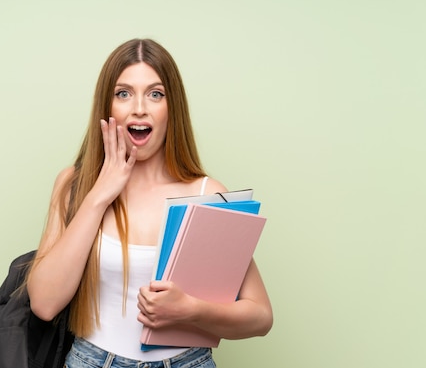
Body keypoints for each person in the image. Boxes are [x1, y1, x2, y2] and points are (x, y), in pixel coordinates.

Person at [26, 38, 272, 368]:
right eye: (123, 93)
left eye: (155, 94)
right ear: (107, 107)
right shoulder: (74, 185)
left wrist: (191, 310)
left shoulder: (206, 194)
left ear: (172, 109)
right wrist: (100, 194)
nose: (139, 107)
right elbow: (44, 303)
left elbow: (260, 316)